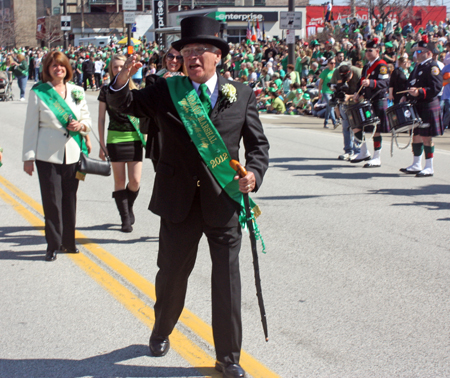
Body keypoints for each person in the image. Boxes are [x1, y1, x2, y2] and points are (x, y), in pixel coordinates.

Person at [107, 16, 269, 378]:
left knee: (227, 281)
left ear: (218, 56)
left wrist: (254, 175)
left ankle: (228, 357)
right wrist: (121, 79)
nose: (193, 57)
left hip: (223, 202)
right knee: (172, 275)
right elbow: (123, 104)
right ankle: (162, 328)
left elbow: (258, 147)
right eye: (186, 51)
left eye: (201, 51)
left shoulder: (240, 94)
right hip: (178, 201)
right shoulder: (165, 90)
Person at [22, 51, 91, 261]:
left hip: (73, 154)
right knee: (52, 201)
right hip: (47, 156)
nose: (58, 69)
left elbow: (86, 119)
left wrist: (81, 126)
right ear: (47, 69)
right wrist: (28, 157)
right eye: (53, 66)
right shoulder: (39, 92)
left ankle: (68, 243)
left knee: (70, 200)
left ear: (67, 68)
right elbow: (30, 127)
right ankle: (53, 244)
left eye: (61, 65)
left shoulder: (77, 91)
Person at [98, 54, 143, 233]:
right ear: (111, 70)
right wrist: (102, 144)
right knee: (120, 180)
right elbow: (101, 118)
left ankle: (128, 205)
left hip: (134, 138)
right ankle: (125, 218)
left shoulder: (136, 89)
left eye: (121, 66)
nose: (118, 70)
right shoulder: (106, 90)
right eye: (115, 67)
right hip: (115, 138)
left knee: (135, 181)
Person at [399, 36, 444, 177]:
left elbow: (436, 88)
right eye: (416, 51)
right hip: (417, 105)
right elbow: (410, 84)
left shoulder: (433, 67)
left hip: (428, 105)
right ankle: (416, 164)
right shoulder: (418, 67)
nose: (416, 54)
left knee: (426, 137)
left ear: (428, 53)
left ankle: (429, 166)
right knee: (416, 135)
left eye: (419, 51)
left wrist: (420, 91)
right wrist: (406, 95)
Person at [143, 46, 185, 170]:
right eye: (171, 56)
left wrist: (184, 85)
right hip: (160, 133)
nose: (174, 60)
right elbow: (150, 105)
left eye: (179, 57)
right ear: (165, 59)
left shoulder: (188, 80)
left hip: (181, 134)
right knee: (163, 177)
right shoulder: (153, 79)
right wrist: (162, 85)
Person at [352, 37, 390, 168]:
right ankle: (363, 152)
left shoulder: (382, 65)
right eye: (366, 50)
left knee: (376, 130)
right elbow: (361, 82)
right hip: (368, 101)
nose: (367, 52)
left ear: (377, 51)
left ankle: (377, 157)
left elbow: (384, 83)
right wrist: (358, 93)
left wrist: (371, 83)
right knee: (358, 125)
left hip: (378, 100)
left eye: (370, 50)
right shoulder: (367, 66)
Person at [329, 64, 362, 160]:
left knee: (357, 127)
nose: (346, 80)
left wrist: (350, 96)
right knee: (345, 127)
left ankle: (358, 151)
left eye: (347, 78)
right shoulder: (337, 72)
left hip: (357, 102)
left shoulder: (358, 73)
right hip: (344, 103)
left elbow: (363, 92)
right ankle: (348, 151)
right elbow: (332, 85)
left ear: (351, 72)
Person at [318, 58, 337, 129]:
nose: (333, 65)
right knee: (331, 106)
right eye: (331, 63)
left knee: (329, 107)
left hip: (334, 91)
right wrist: (319, 92)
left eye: (334, 63)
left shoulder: (336, 71)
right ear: (328, 64)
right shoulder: (325, 72)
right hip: (326, 91)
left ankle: (325, 122)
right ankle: (334, 122)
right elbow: (320, 83)